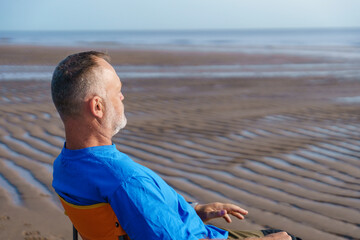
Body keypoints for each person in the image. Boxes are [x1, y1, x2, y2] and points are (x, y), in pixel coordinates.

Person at [51, 51, 298, 240]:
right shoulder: (124, 180)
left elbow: (136, 216)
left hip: (185, 225)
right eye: (118, 91)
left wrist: (195, 210)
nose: (122, 97)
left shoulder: (65, 165)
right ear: (97, 107)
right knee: (284, 235)